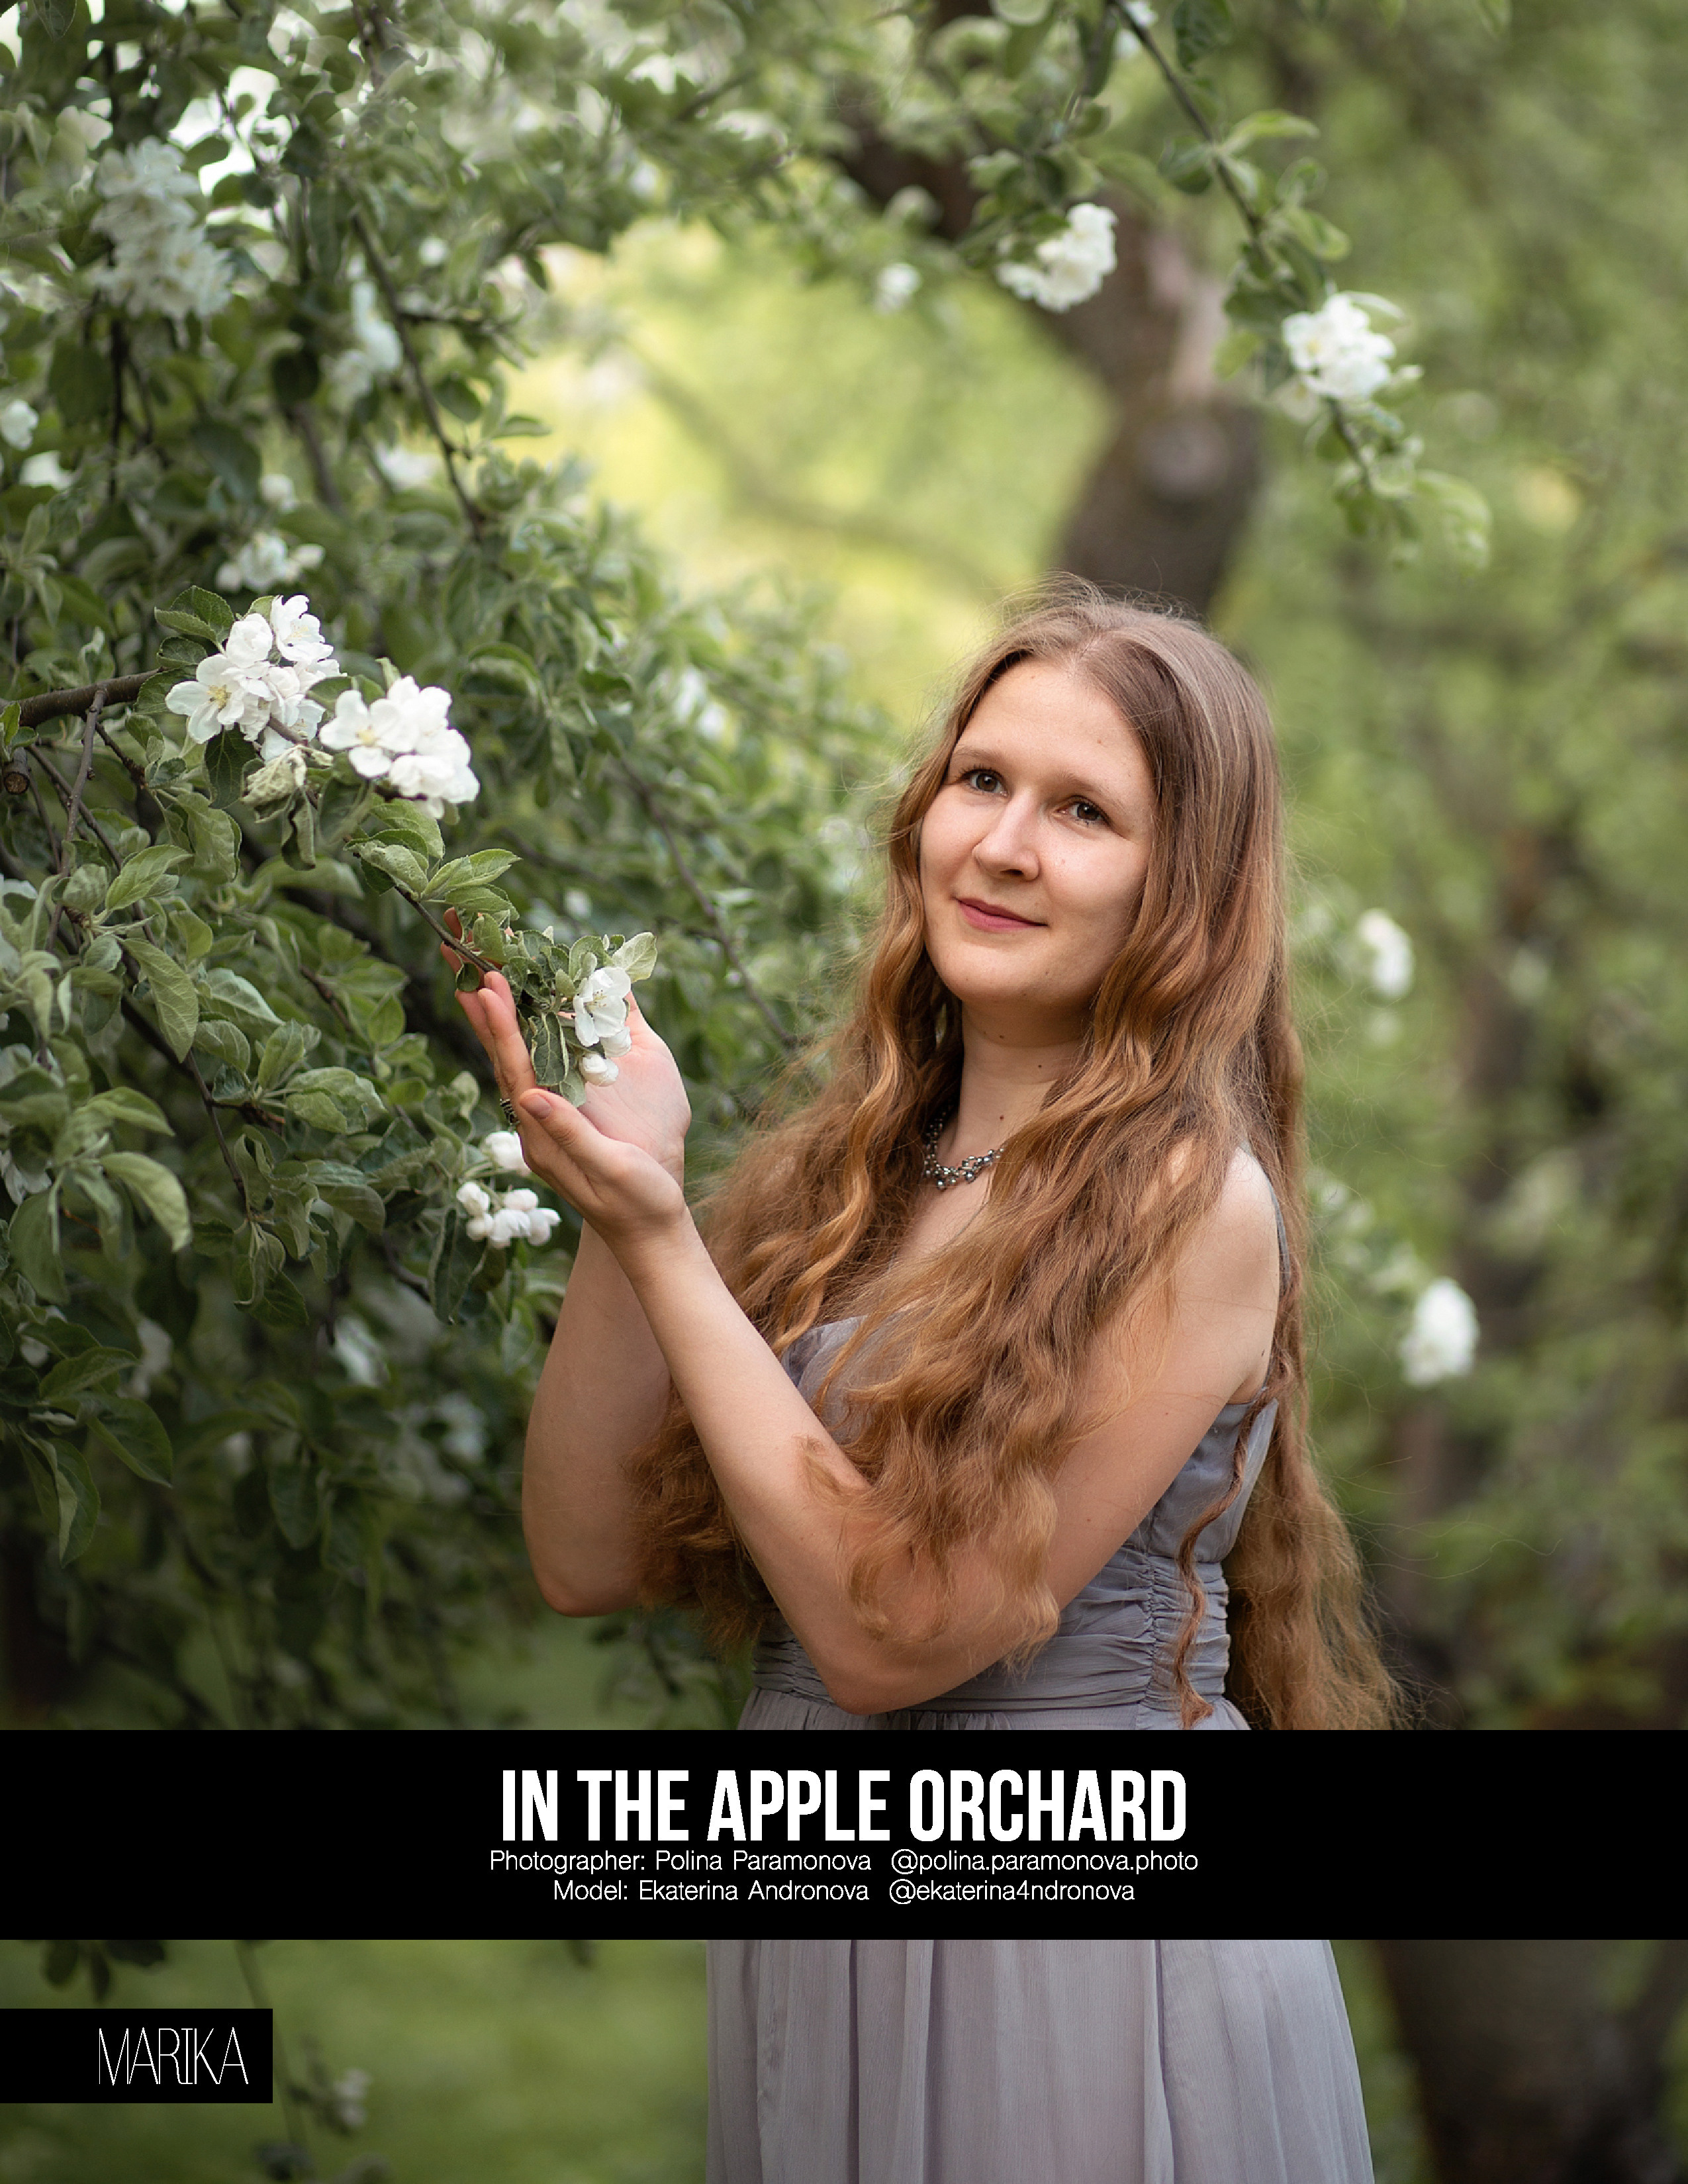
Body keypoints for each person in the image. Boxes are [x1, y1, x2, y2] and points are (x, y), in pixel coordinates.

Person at [454, 584, 1395, 1731]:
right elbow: (586, 1560)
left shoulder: (1191, 1204)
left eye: (1083, 812)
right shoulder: (850, 1180)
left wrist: (664, 1245)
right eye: (981, 780)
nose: (1001, 848)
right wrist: (628, 1199)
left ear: (1186, 890)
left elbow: (894, 1640)